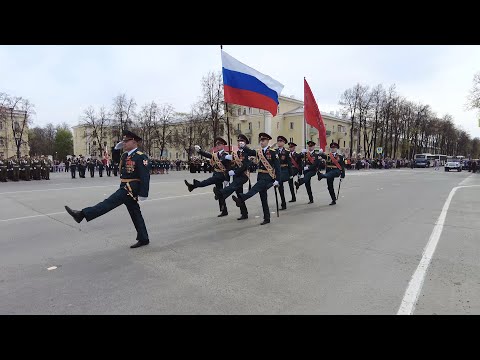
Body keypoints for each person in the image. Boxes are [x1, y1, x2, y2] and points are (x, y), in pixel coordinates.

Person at [65, 129, 151, 249]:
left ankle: (82, 214)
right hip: (124, 186)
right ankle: (143, 238)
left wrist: (143, 193)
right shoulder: (126, 155)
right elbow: (116, 161)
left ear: (134, 142)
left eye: (126, 141)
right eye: (123, 141)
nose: (124, 143)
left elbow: (145, 175)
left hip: (131, 188)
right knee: (135, 213)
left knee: (108, 203)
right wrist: (115, 149)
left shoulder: (141, 157)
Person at [232, 133, 281, 225]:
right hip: (260, 176)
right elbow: (250, 152)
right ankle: (267, 218)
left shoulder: (273, 152)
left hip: (268, 177)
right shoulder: (259, 152)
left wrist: (277, 180)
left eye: (263, 140)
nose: (261, 142)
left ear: (267, 141)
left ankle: (242, 198)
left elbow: (278, 168)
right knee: (263, 198)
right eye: (260, 140)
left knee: (255, 188)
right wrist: (244, 146)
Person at [184, 137, 231, 217]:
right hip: (216, 174)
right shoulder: (216, 154)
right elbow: (208, 155)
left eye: (219, 144)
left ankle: (195, 185)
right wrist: (199, 151)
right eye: (217, 145)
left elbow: (229, 167)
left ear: (223, 145)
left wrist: (227, 179)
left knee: (208, 181)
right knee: (220, 193)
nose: (218, 146)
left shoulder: (226, 155)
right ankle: (224, 210)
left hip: (221, 175)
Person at [212, 134, 253, 220]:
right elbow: (232, 164)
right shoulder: (236, 153)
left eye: (241, 142)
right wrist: (229, 172)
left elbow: (245, 166)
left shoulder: (248, 152)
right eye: (238, 141)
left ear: (245, 143)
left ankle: (220, 193)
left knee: (233, 186)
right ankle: (244, 213)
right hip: (236, 175)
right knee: (239, 195)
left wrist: (234, 172)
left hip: (243, 175)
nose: (239, 143)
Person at [275, 135, 292, 210]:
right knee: (280, 188)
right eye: (278, 141)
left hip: (284, 170)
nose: (279, 142)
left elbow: (289, 163)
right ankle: (283, 203)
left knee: (280, 182)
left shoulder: (287, 152)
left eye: (280, 141)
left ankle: (283, 203)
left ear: (284, 142)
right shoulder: (274, 151)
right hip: (277, 170)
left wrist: (291, 174)